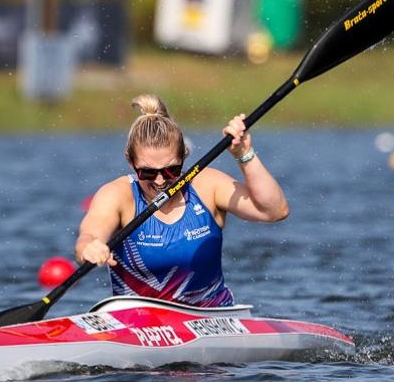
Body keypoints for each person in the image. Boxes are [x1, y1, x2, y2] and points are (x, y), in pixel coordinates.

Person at [75, 94, 289, 307]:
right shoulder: (118, 195)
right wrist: (89, 247)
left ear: (184, 157)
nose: (160, 181)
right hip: (136, 324)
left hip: (213, 320)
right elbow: (90, 234)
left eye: (171, 170)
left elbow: (274, 211)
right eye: (148, 173)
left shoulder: (206, 185)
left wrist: (244, 154)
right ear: (130, 162)